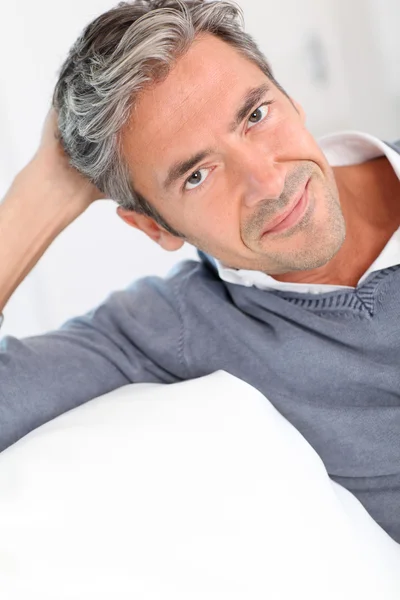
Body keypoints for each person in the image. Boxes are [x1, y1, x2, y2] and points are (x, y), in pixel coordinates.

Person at [1, 0, 400, 543]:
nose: (266, 182)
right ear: (153, 227)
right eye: (197, 175)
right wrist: (43, 193)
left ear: (291, 99)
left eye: (256, 115)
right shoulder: (177, 329)